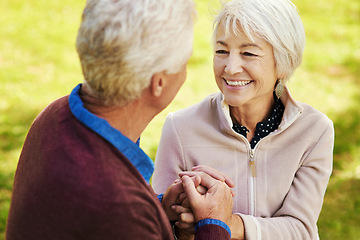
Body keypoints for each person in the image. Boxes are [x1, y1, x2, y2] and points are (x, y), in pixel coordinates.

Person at [5, 0, 235, 239]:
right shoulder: (120, 205)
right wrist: (213, 223)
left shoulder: (56, 114)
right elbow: (116, 214)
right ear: (158, 83)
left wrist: (158, 210)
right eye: (184, 61)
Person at [152, 0, 334, 239]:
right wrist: (182, 226)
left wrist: (225, 223)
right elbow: (158, 225)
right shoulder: (180, 128)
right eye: (222, 51)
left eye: (248, 53)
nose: (231, 67)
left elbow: (299, 229)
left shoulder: (315, 131)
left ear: (283, 62)